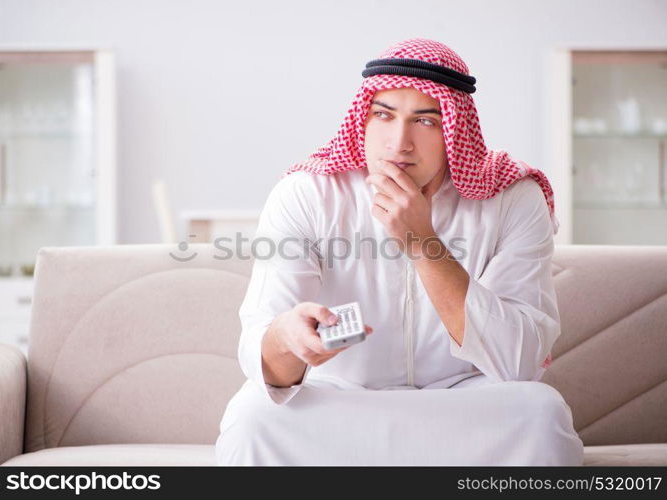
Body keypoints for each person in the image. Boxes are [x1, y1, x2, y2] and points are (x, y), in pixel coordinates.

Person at [215, 38, 584, 466]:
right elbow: (265, 358)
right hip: (340, 403)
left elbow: (518, 362)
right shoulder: (307, 194)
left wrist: (423, 244)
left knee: (541, 413)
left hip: (464, 404)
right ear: (363, 120)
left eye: (425, 122)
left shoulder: (512, 198)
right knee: (252, 416)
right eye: (384, 116)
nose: (399, 143)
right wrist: (287, 340)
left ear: (454, 130)